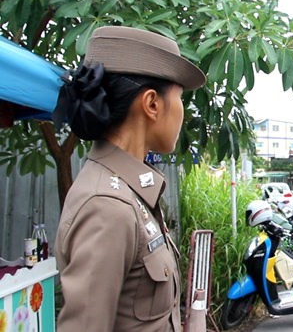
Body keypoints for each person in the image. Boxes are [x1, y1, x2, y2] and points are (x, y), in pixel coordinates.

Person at [53, 26, 206, 331]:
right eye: (180, 99)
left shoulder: (130, 192)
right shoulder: (107, 207)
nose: (182, 113)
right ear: (152, 104)